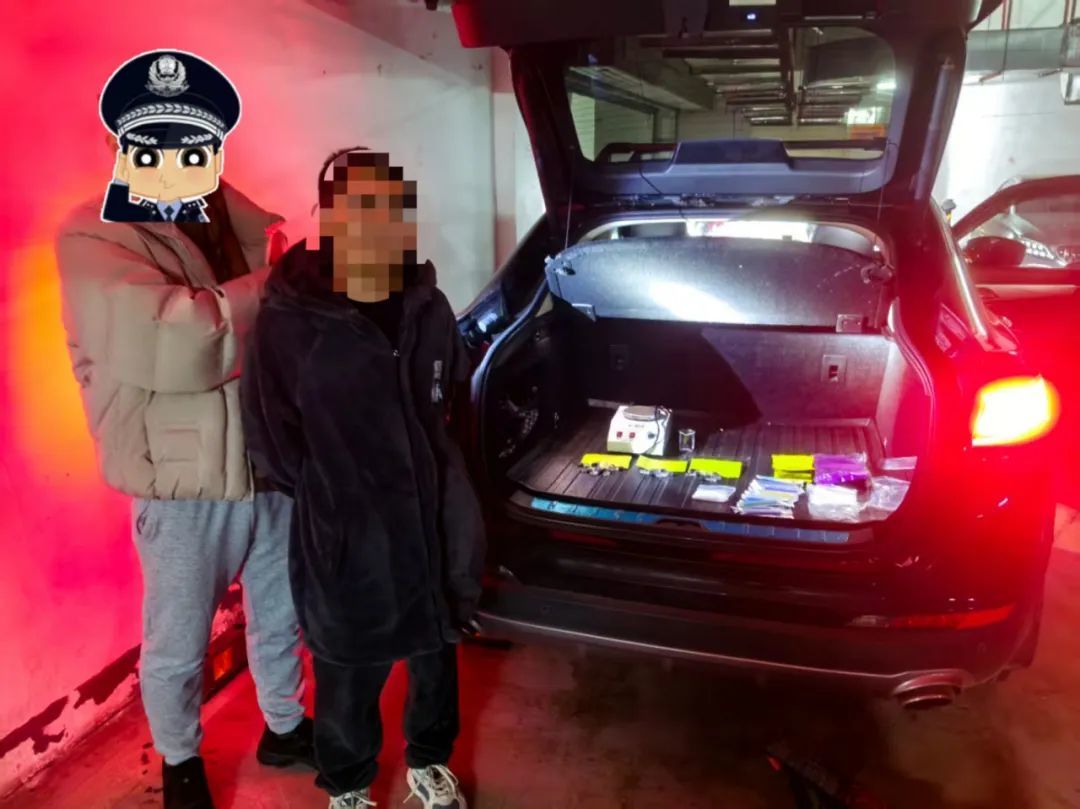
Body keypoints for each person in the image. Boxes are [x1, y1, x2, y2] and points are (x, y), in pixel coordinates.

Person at [55, 50, 312, 809]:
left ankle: (286, 725)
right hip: (182, 477)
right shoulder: (93, 237)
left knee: (281, 612)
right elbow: (185, 339)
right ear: (123, 143)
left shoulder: (237, 223)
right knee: (178, 637)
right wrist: (284, 284)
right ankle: (179, 761)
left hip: (264, 457)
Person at [241, 147, 485, 809]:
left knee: (435, 655)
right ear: (330, 217)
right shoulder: (292, 319)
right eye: (359, 207)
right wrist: (332, 494)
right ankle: (348, 784)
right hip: (347, 531)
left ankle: (429, 762)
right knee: (348, 670)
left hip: (429, 520)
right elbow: (271, 433)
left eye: (390, 207)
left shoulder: (427, 306)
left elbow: (452, 400)